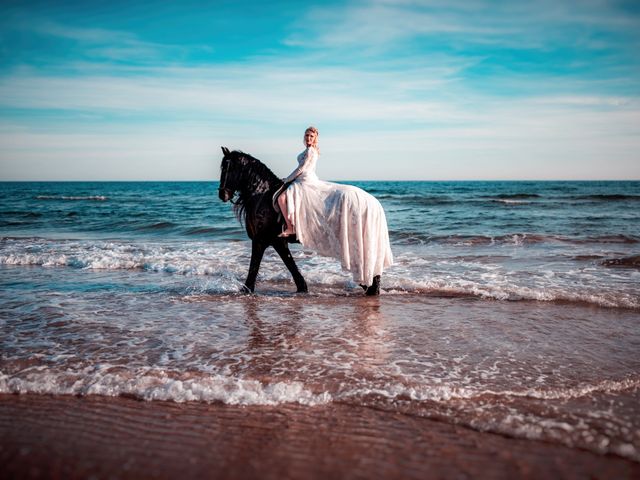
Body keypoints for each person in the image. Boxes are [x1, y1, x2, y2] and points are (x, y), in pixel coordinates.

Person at [274, 126, 393, 288]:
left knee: (281, 197)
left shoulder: (311, 151)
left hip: (305, 181)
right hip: (301, 180)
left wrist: (286, 180)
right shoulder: (307, 150)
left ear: (315, 138)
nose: (308, 138)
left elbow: (302, 169)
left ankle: (290, 227)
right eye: (307, 136)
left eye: (311, 136)